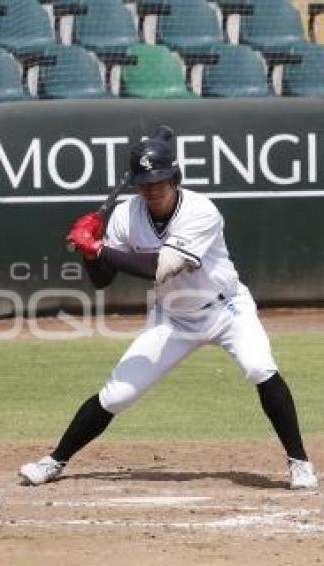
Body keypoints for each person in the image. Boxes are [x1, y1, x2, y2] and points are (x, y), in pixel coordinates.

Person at [18, 126, 318, 490]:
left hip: (227, 311)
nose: (152, 189)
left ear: (175, 178)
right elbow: (102, 280)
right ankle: (54, 461)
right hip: (172, 317)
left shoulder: (201, 210)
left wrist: (99, 249)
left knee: (259, 367)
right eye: (145, 182)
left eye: (160, 180)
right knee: (118, 394)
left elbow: (160, 267)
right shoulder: (127, 215)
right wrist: (90, 250)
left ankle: (299, 461)